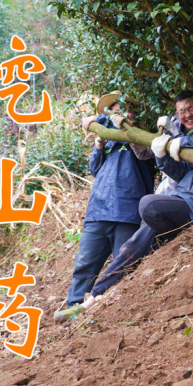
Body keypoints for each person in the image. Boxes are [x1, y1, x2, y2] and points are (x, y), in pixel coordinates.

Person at [57, 91, 193, 319]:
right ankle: (93, 298)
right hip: (180, 203)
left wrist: (185, 140)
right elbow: (180, 172)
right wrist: (162, 156)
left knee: (149, 205)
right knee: (131, 249)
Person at [57, 92, 156, 318]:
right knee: (85, 264)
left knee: (122, 265)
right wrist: (99, 141)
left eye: (125, 110)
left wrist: (128, 133)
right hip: (98, 209)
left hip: (128, 211)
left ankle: (115, 313)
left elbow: (146, 157)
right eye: (115, 111)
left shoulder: (143, 137)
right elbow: (95, 169)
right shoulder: (107, 139)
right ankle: (73, 310)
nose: (119, 115)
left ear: (134, 114)